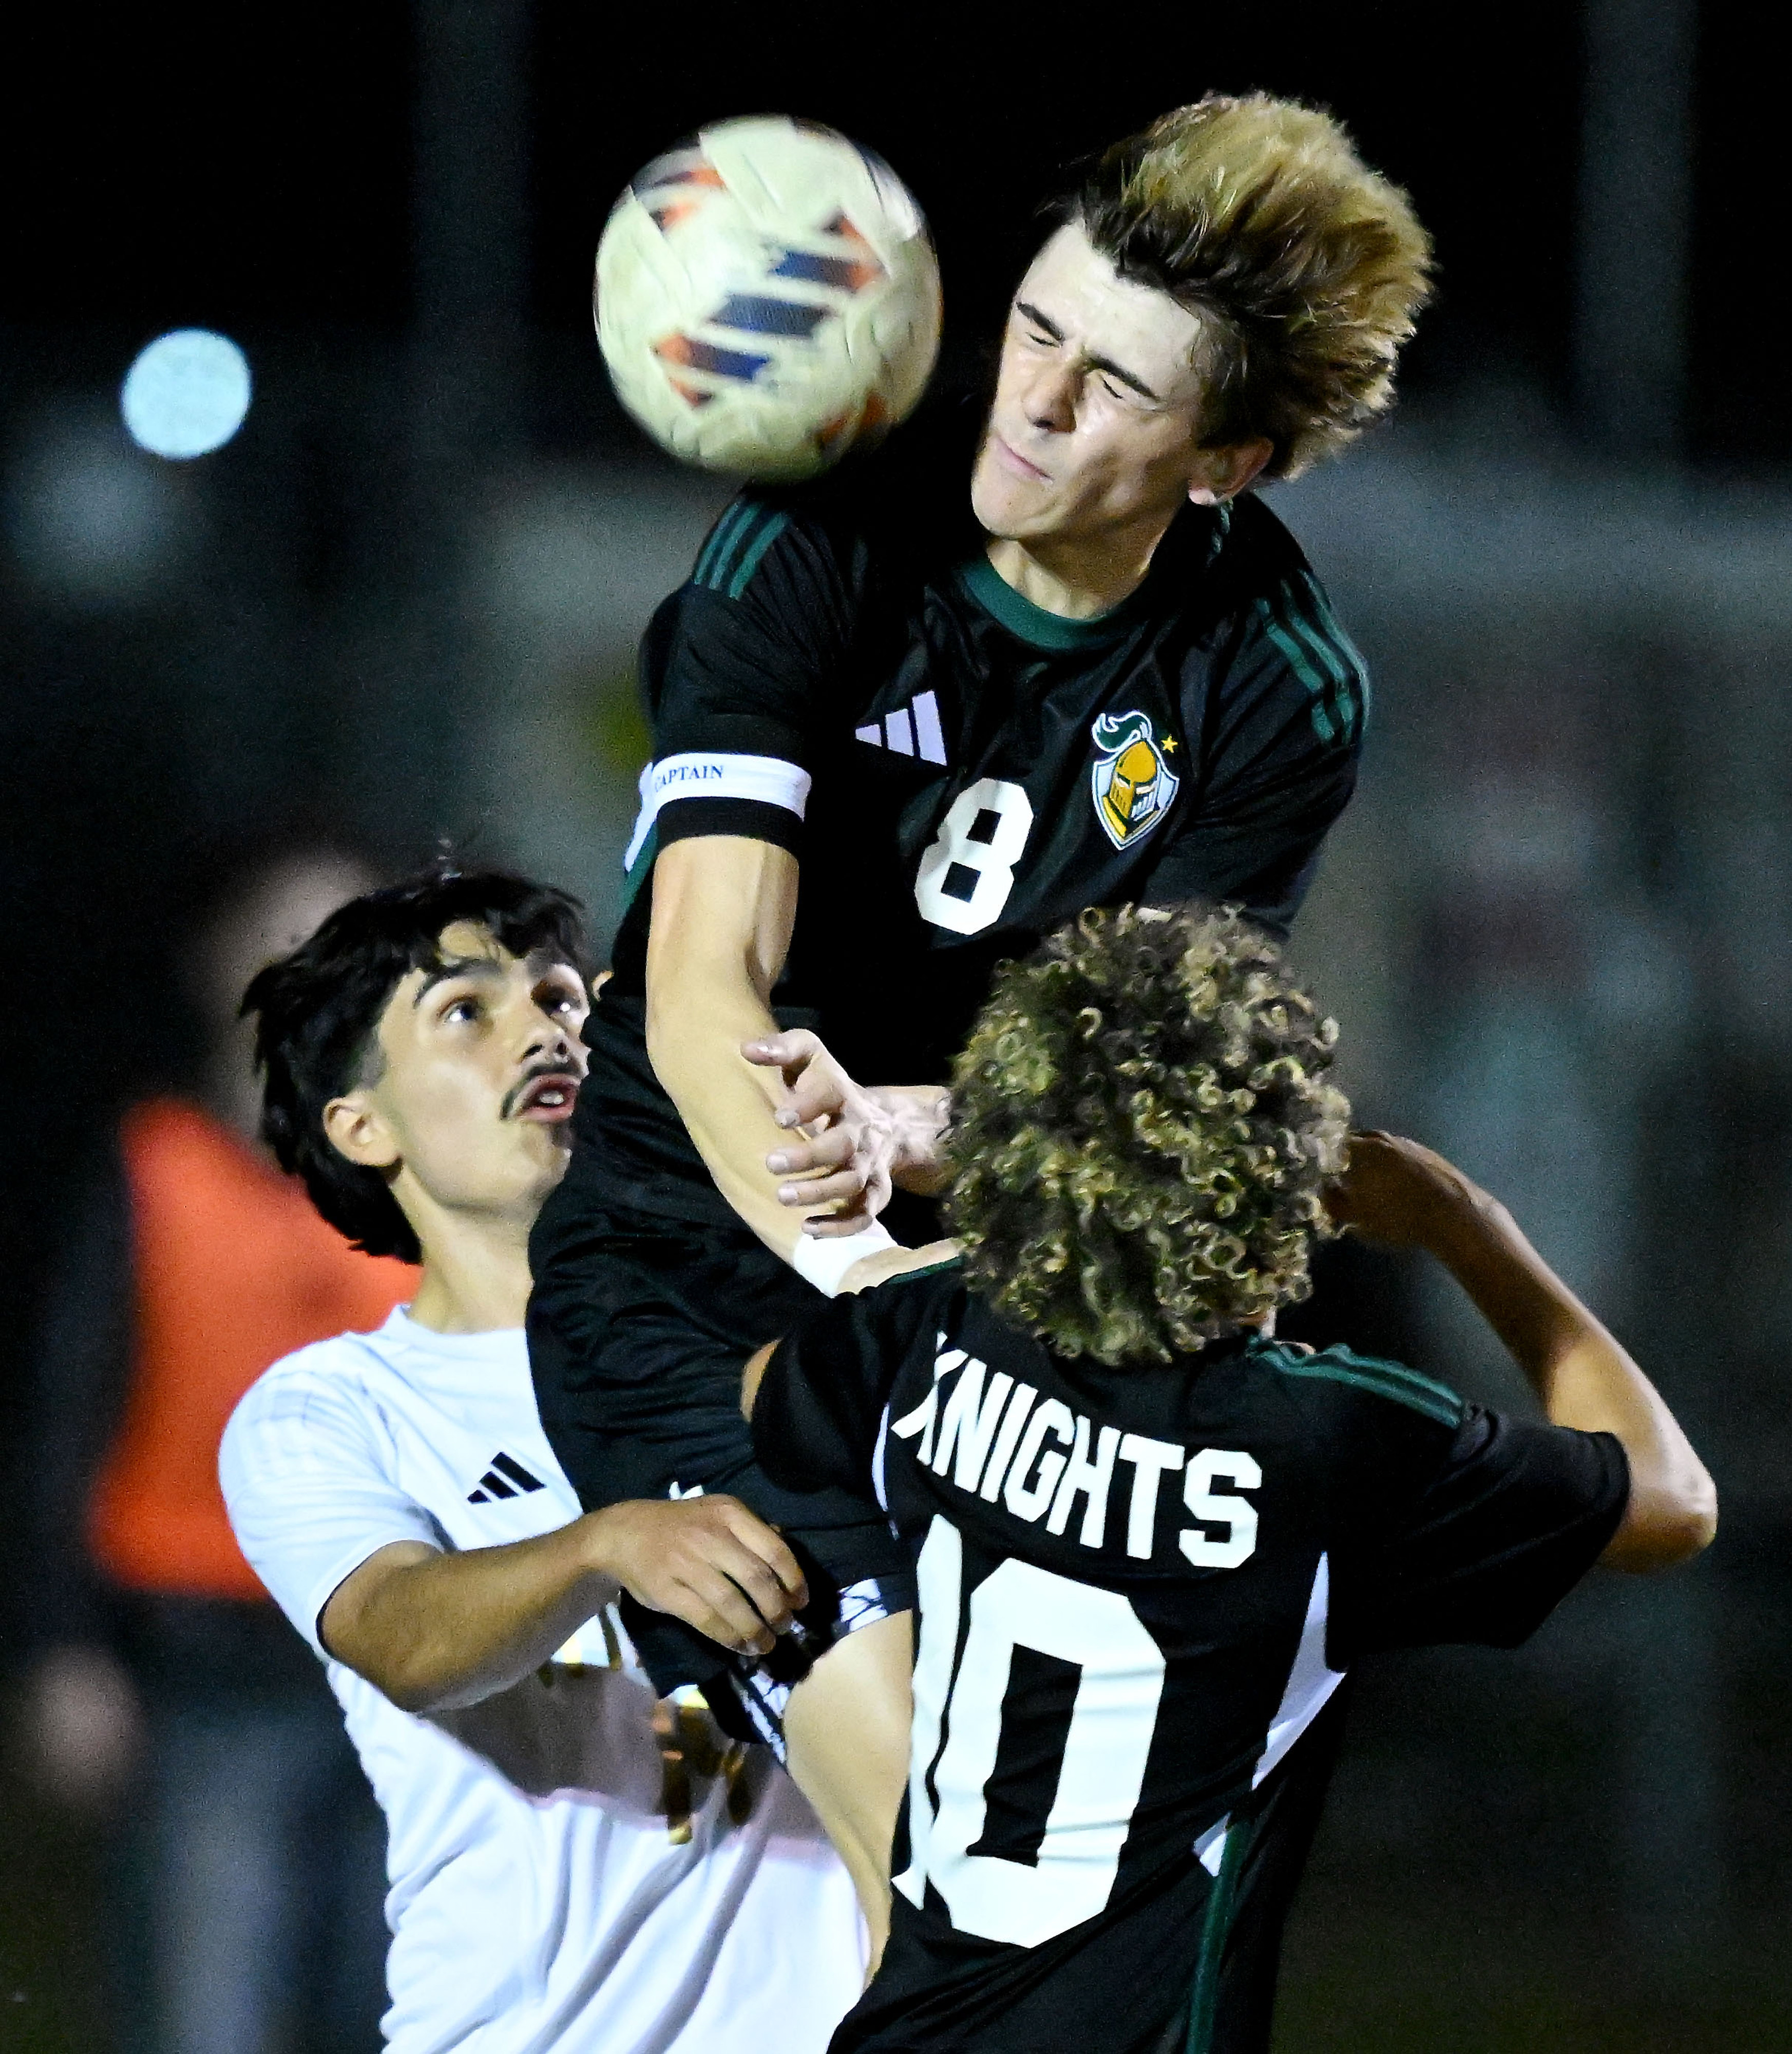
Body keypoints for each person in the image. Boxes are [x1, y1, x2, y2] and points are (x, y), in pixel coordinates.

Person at [527, 93, 1436, 1748]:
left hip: (985, 1262)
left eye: (1114, 389)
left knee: (1051, 1840)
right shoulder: (823, 525)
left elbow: (1135, 1096)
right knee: (880, 1787)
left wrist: (907, 1147)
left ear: (1225, 462)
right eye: (1033, 327)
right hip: (688, 1246)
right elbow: (702, 972)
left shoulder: (1273, 692)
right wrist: (867, 1269)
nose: (1032, 403)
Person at [742, 904, 1717, 2054]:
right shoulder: (1318, 1437)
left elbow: (769, 1386)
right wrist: (1470, 1225)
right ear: (1276, 1185)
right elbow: (1670, 1502)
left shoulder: (940, 1331)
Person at [218, 867, 867, 2054]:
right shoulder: (332, 1410)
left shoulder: (783, 1334)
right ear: (361, 1125)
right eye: (467, 1010)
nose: (545, 1028)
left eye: (562, 998)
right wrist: (607, 1540)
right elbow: (400, 1635)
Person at [15, 847, 402, 2054]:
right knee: (205, 2003)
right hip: (205, 1665)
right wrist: (63, 1642)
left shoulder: (440, 1187)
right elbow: (72, 1409)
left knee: (385, 2005)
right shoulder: (156, 1170)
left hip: (406, 1670)